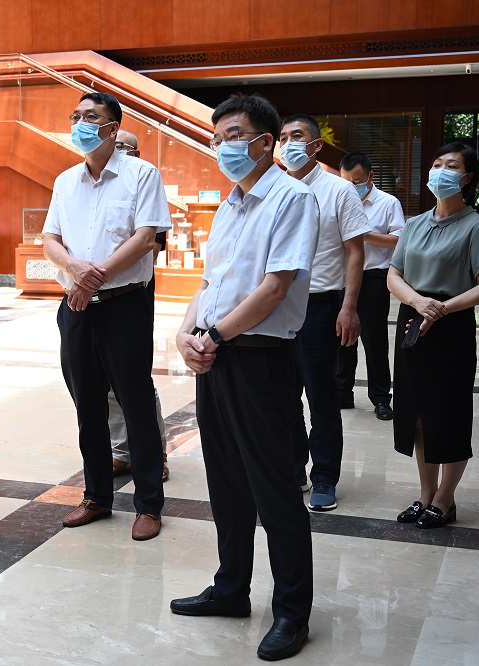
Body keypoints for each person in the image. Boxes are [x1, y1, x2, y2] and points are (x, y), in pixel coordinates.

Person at [169, 93, 318, 662]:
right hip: (218, 355)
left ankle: (292, 612)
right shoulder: (229, 205)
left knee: (275, 488)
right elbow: (210, 283)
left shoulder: (291, 198)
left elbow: (275, 287)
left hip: (260, 359)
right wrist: (187, 334)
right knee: (226, 481)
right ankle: (230, 588)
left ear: (265, 141)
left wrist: (214, 336)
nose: (222, 147)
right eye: (216, 138)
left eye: (233, 135)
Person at [43, 92, 169, 541]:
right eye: (75, 116)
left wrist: (93, 278)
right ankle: (96, 496)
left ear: (113, 129)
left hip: (125, 304)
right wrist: (74, 270)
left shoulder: (141, 174)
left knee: (135, 403)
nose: (80, 123)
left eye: (91, 117)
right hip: (76, 306)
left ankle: (149, 504)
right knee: (88, 404)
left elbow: (146, 237)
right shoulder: (65, 181)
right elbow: (51, 240)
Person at [388, 142, 479, 529]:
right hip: (413, 320)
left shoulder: (476, 226)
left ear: (466, 178)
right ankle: (425, 494)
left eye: (451, 165)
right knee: (417, 413)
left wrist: (442, 308)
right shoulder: (415, 224)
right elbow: (393, 275)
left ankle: (445, 498)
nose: (440, 171)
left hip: (451, 325)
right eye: (437, 164)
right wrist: (418, 302)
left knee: (448, 413)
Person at [279, 114, 369, 512]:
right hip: (276, 306)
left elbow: (355, 252)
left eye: (296, 136)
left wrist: (349, 307)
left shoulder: (338, 190)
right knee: (283, 397)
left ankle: (325, 477)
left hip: (319, 306)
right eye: (283, 137)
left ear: (316, 146)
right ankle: (294, 469)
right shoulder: (273, 187)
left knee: (322, 398)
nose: (288, 144)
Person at [108, 128, 169, 483]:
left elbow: (151, 246)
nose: (116, 151)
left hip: (132, 295)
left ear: (136, 152)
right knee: (104, 383)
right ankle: (121, 452)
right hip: (94, 295)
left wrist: (100, 269)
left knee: (134, 381)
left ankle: (155, 453)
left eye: (123, 147)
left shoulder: (146, 187)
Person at [336, 153, 406, 419]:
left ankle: (380, 398)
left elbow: (400, 239)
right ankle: (342, 393)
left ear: (370, 176)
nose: (351, 187)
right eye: (346, 182)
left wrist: (365, 236)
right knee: (341, 338)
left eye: (357, 181)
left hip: (374, 278)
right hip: (341, 278)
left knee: (374, 341)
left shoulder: (388, 203)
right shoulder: (338, 201)